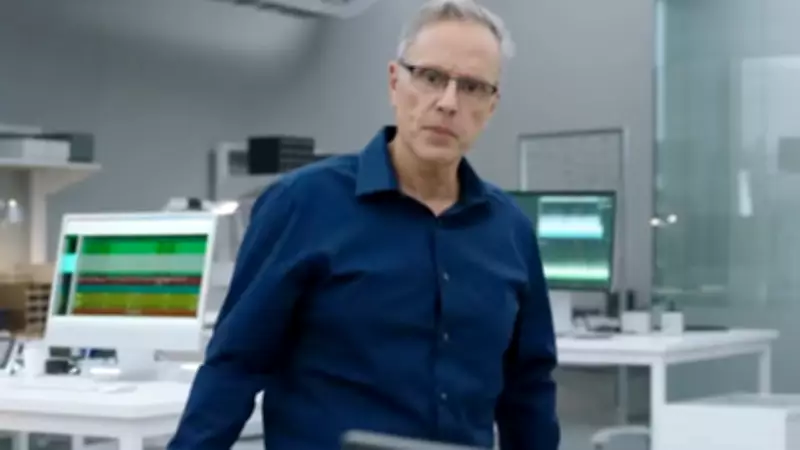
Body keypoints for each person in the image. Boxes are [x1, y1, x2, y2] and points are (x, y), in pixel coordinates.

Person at [167, 0, 559, 449]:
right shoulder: (302, 204)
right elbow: (234, 367)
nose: (448, 102)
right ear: (395, 82)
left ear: (491, 106)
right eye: (431, 77)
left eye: (471, 87)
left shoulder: (510, 232)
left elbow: (529, 390)